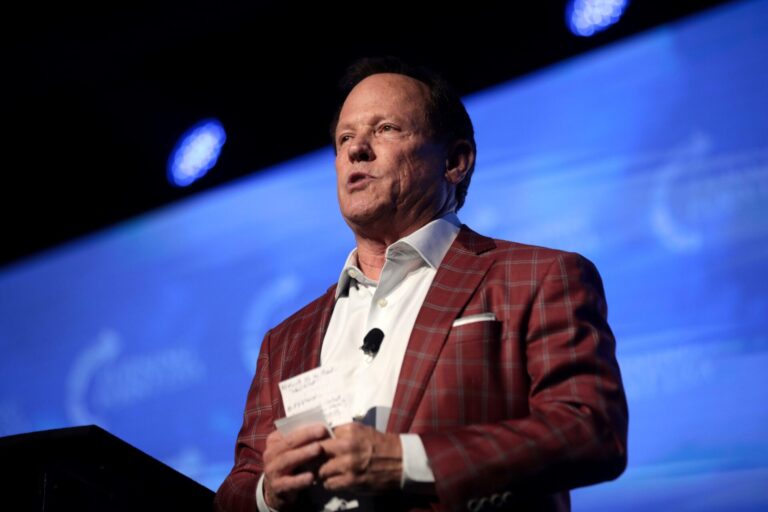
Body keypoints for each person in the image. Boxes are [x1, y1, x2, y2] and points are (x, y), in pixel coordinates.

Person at [214, 57, 628, 512]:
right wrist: (268, 492)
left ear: (454, 161)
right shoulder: (284, 340)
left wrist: (407, 462)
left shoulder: (537, 277)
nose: (357, 150)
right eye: (345, 138)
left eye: (386, 129)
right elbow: (236, 489)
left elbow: (590, 428)